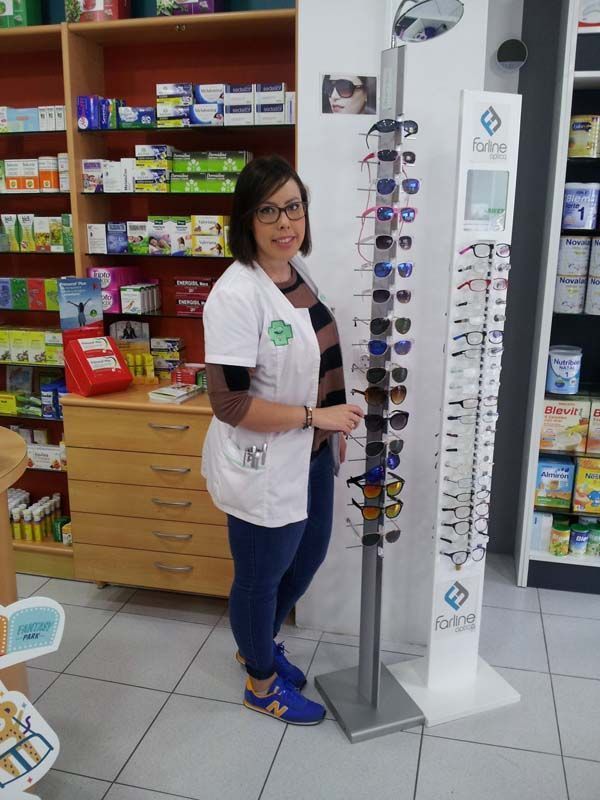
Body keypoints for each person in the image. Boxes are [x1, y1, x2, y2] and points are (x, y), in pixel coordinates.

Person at [202, 155, 363, 726]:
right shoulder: (235, 295)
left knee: (308, 558)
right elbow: (231, 403)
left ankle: (259, 646)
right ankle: (260, 681)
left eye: (292, 207)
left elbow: (322, 356)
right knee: (260, 576)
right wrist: (317, 417)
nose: (283, 222)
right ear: (246, 219)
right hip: (265, 461)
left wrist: (331, 427)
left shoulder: (295, 273)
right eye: (267, 210)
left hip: (312, 453)